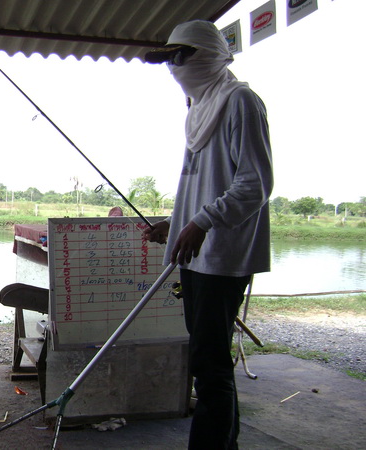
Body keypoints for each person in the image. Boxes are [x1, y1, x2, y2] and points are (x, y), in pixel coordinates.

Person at [143, 20, 273, 449]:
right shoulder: (198, 108)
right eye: (170, 58)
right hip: (196, 254)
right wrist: (176, 220)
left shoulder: (240, 102)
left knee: (209, 362)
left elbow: (255, 184)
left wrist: (201, 222)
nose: (175, 66)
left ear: (211, 55)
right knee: (207, 360)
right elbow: (201, 186)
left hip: (223, 255)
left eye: (183, 55)